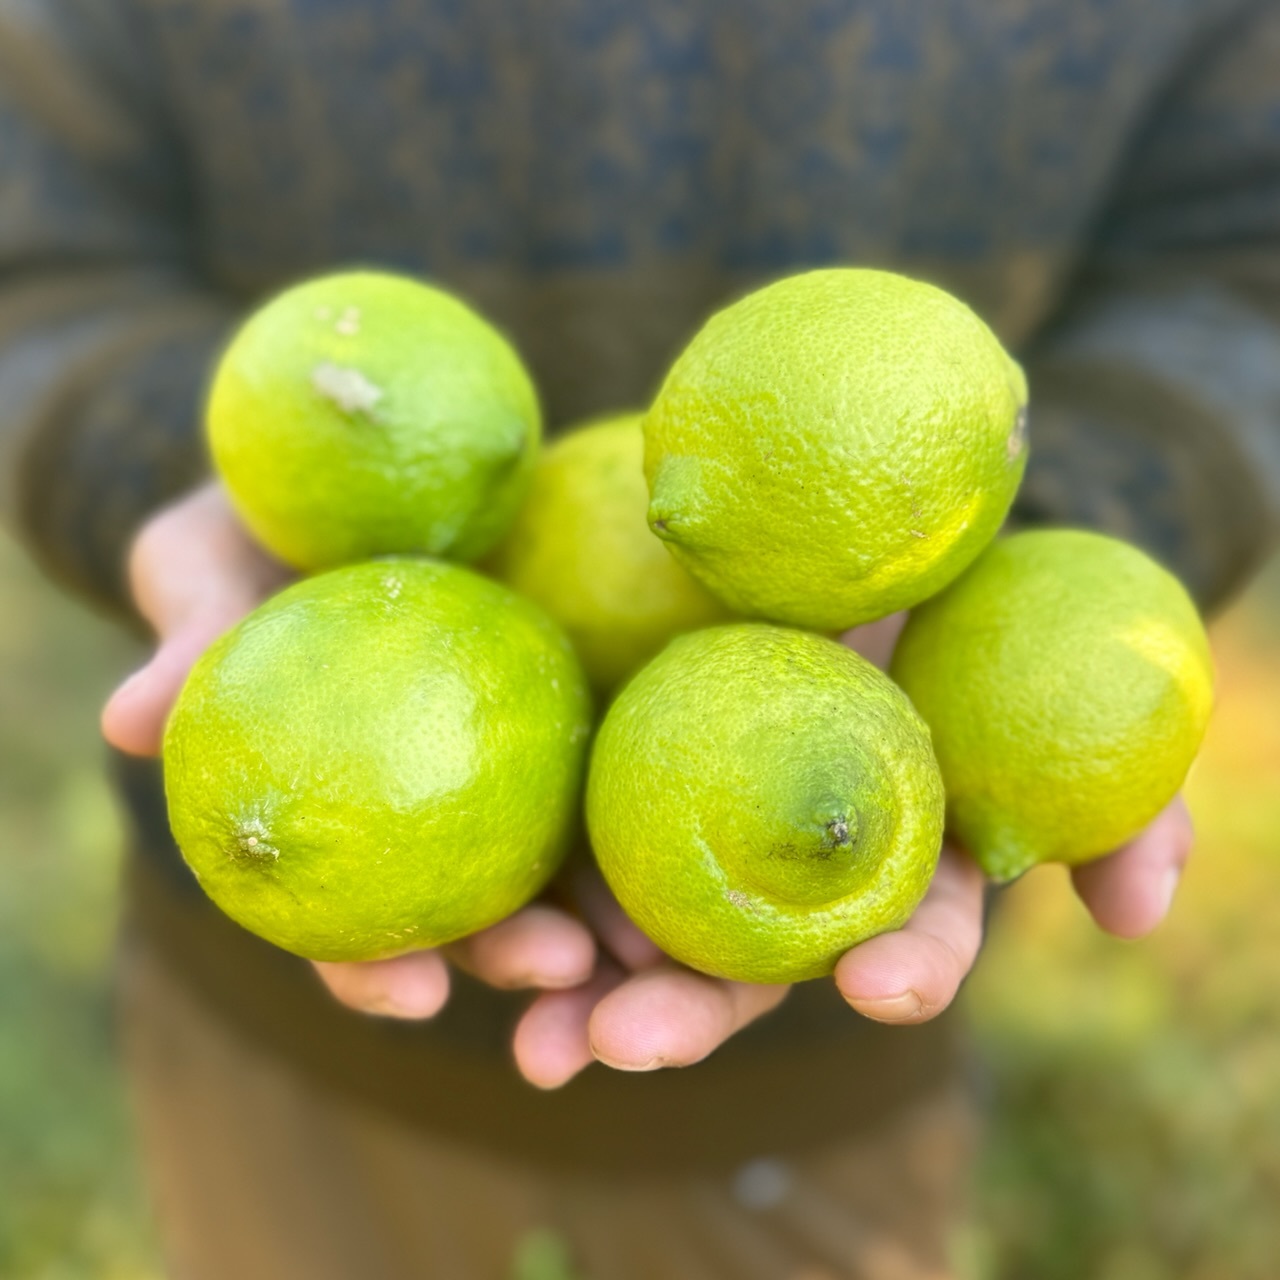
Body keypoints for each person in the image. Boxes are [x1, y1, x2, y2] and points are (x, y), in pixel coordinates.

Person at [2, 2, 1278, 1276]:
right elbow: (41, 242)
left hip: (811, 1036)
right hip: (273, 996)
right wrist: (183, 471)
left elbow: (1239, 261)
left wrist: (1054, 535)